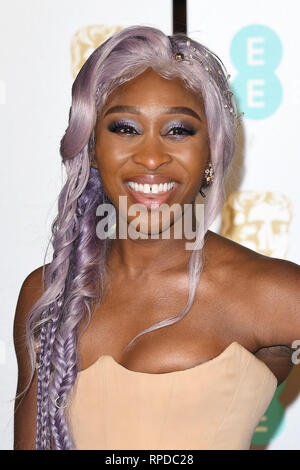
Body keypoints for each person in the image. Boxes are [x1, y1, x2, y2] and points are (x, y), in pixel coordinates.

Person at [13, 25, 300, 451]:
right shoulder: (47, 294)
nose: (150, 157)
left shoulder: (271, 293)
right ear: (92, 147)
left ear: (212, 152)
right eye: (125, 128)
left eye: (179, 130)